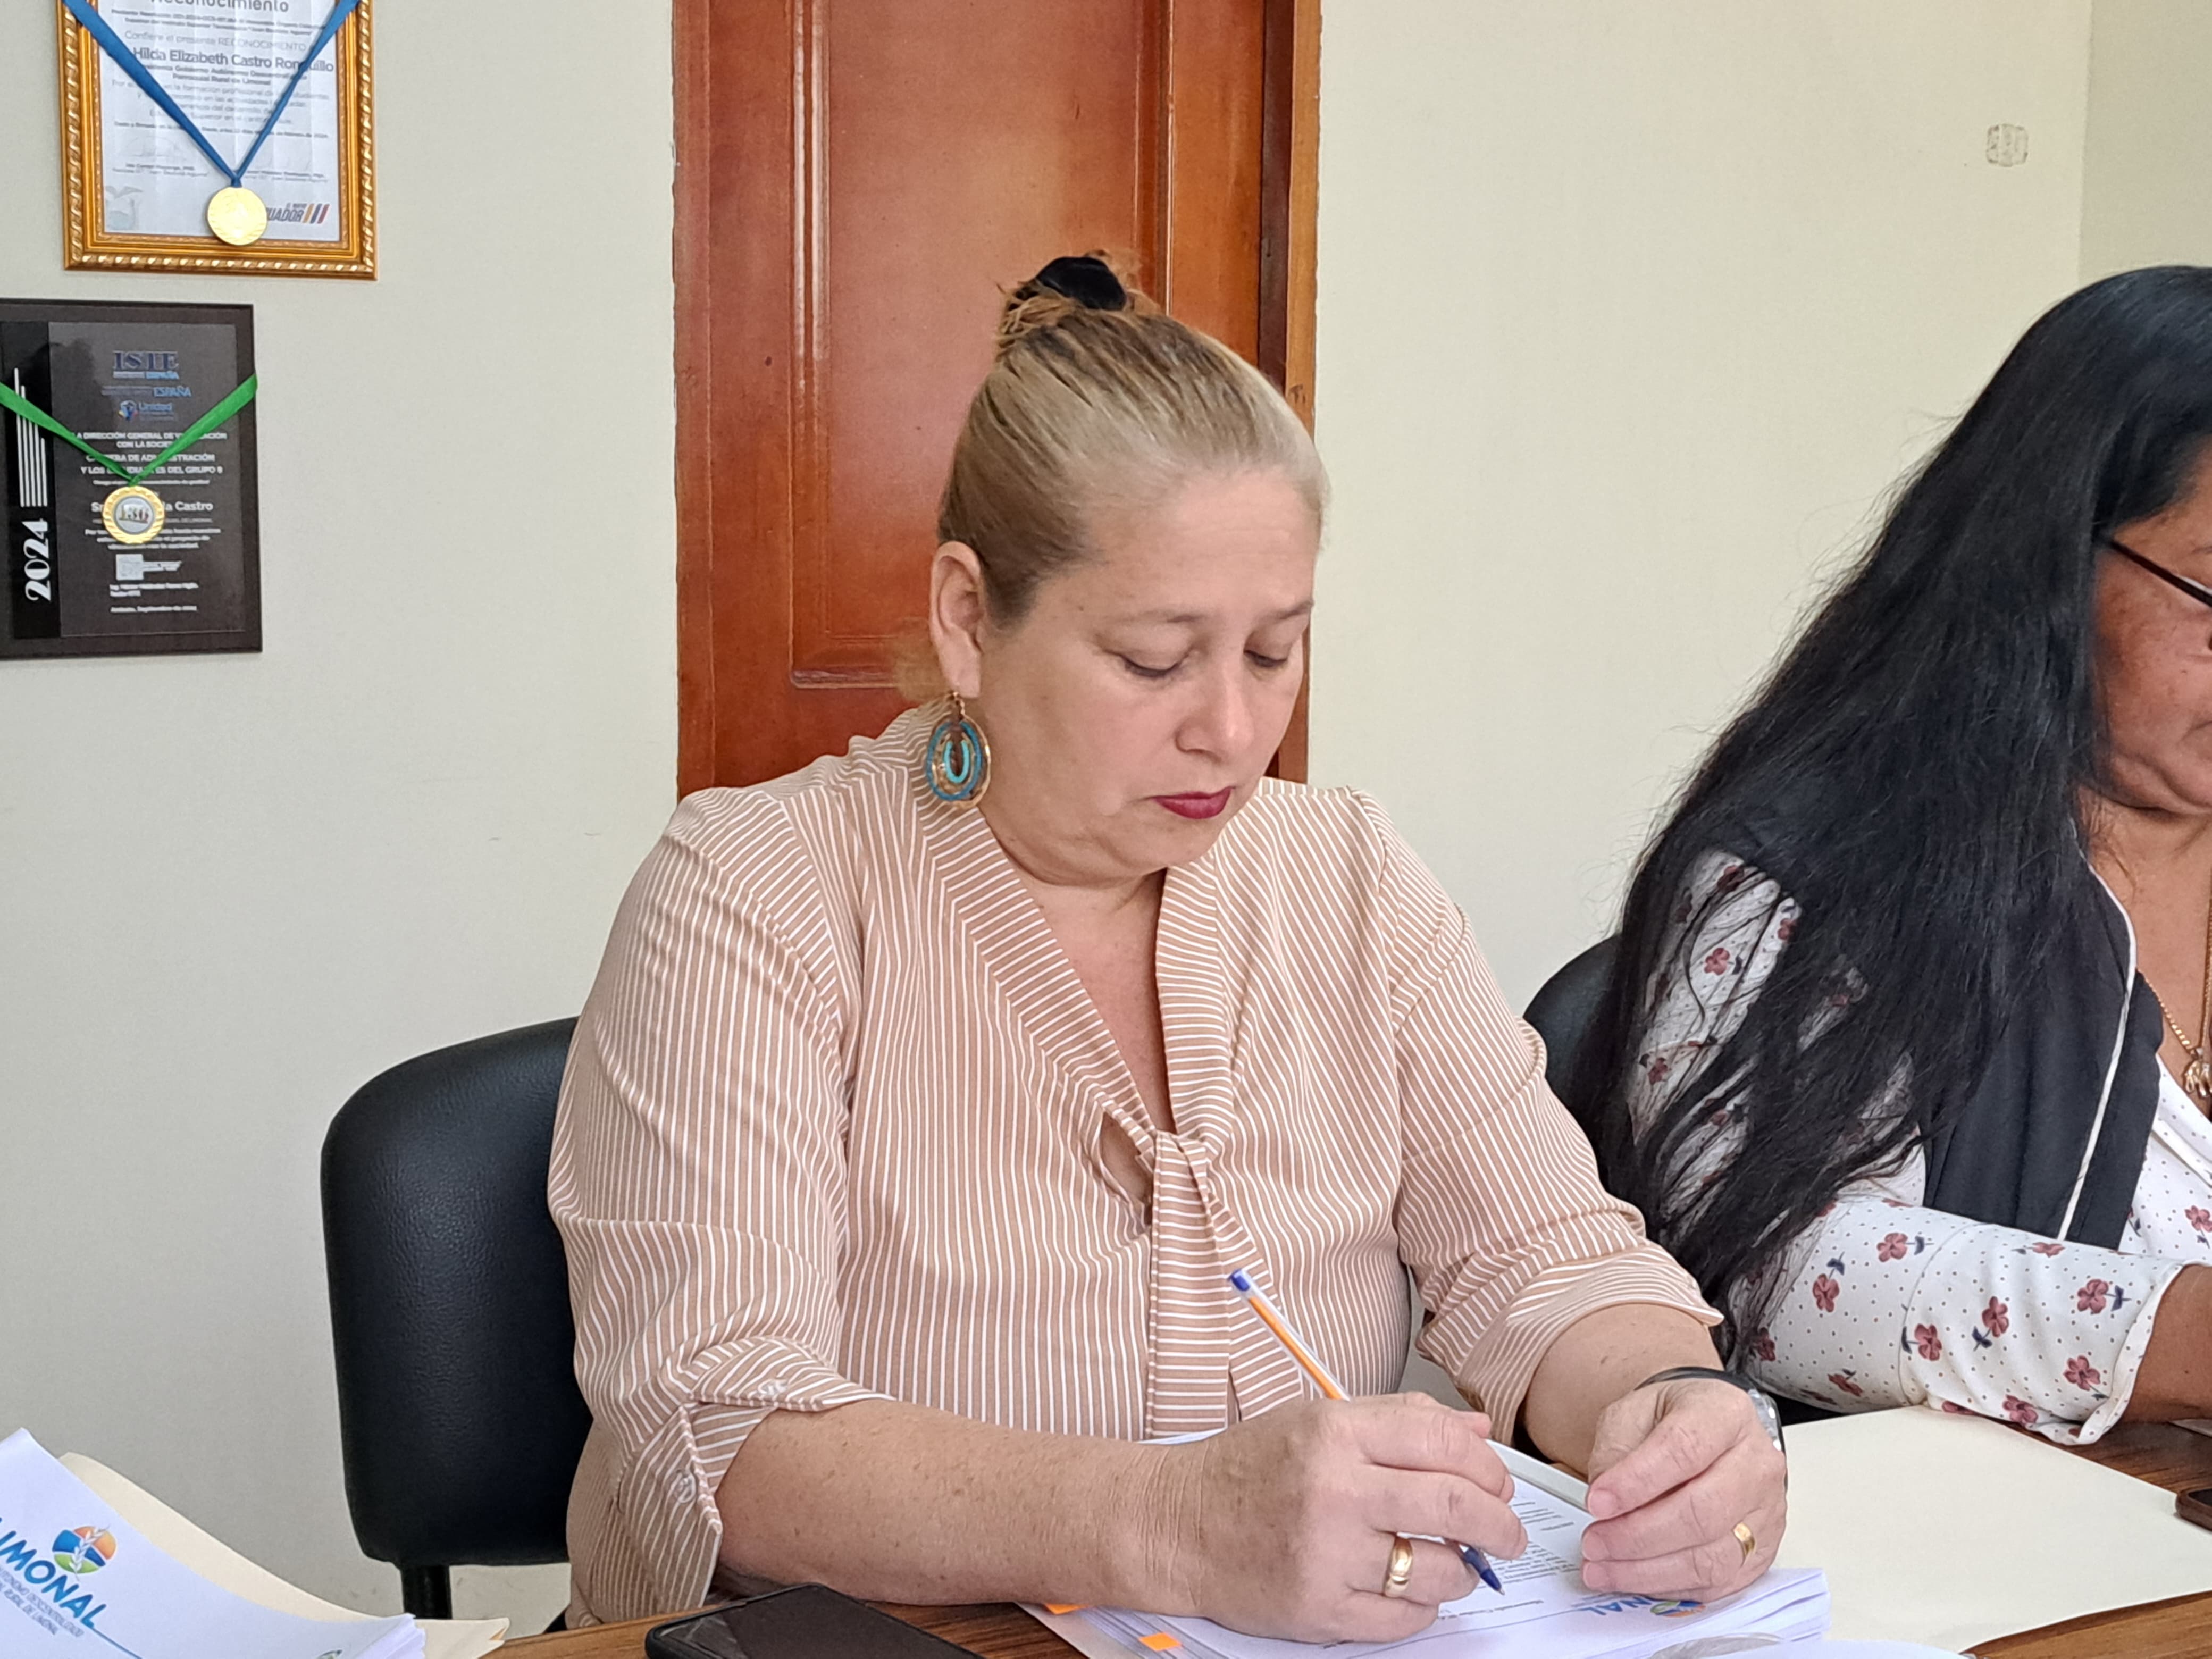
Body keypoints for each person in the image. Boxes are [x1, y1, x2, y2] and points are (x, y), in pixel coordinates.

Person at [551, 255, 1787, 1635]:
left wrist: (1673, 1405)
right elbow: (722, 1431)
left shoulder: (1347, 875)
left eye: (1273, 652)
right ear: (969, 619)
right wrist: (1171, 1522)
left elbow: (1546, 1260)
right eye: (1154, 660)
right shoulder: (755, 892)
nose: (1231, 730)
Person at [1574, 265, 2212, 1445]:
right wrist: (2172, 1334)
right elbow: (1775, 1275)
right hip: (1982, 1542)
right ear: (2049, 558)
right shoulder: (1812, 870)